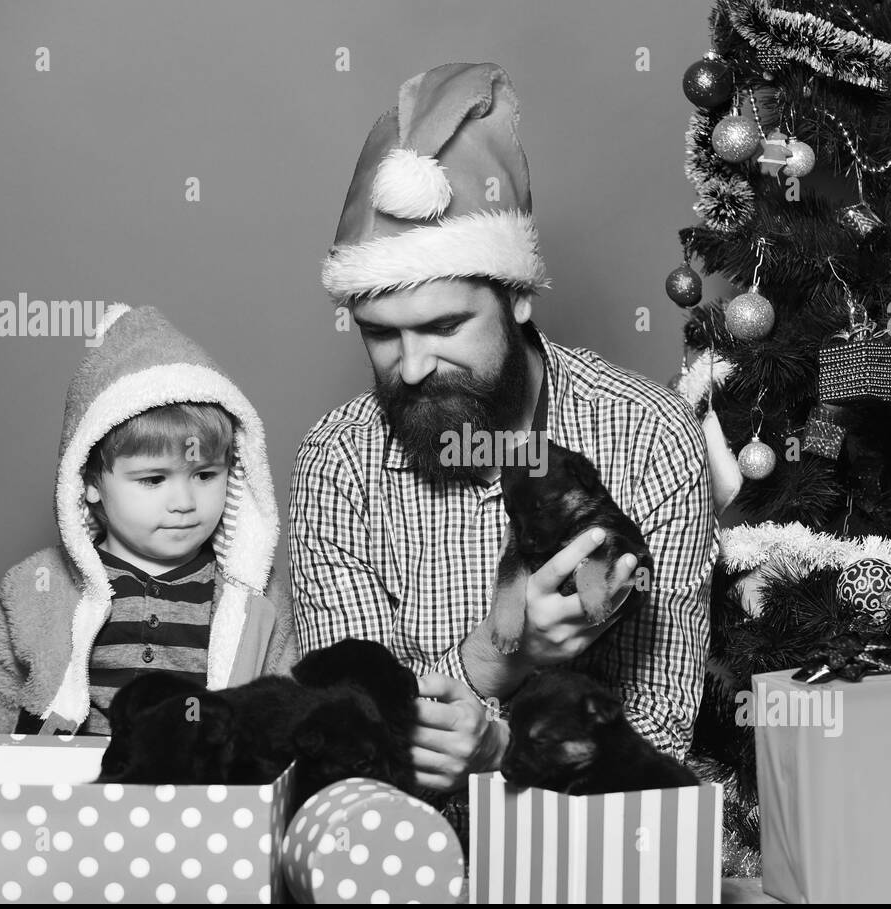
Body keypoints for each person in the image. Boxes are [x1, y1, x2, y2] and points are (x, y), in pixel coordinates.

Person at [291, 63, 717, 793]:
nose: (414, 365)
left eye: (445, 325)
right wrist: (502, 651)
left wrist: (499, 750)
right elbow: (347, 741)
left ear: (517, 295)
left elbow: (659, 733)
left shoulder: (649, 436)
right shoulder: (338, 460)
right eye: (380, 335)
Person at [0, 304, 298, 734]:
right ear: (91, 481)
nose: (185, 501)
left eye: (206, 475)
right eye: (153, 480)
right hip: (65, 789)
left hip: (200, 792)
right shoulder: (38, 586)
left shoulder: (252, 598)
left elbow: (283, 700)